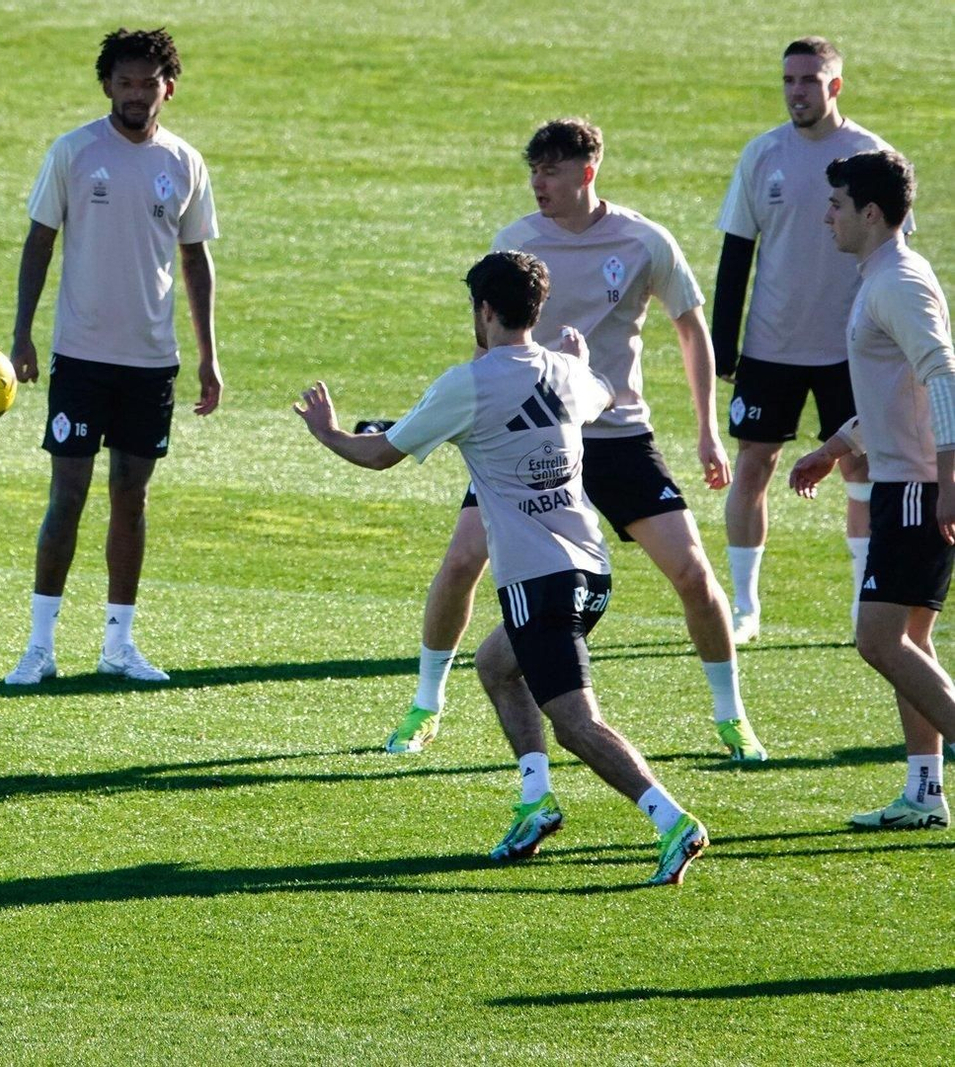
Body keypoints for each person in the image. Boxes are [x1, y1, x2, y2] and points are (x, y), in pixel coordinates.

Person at [297, 251, 708, 885]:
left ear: (485, 310)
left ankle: (671, 820)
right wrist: (578, 357)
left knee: (576, 722)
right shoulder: (566, 373)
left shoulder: (469, 383)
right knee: (496, 665)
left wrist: (326, 432)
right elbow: (600, 396)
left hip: (537, 581)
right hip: (591, 572)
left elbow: (381, 453)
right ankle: (535, 802)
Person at [388, 119, 767, 763]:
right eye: (534, 170)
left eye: (552, 171)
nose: (538, 183)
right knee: (458, 564)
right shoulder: (514, 241)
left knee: (693, 572)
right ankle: (426, 705)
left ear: (587, 172)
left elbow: (689, 328)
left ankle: (732, 717)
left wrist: (706, 431)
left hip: (618, 435)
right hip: (531, 436)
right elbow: (485, 345)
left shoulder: (645, 240)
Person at [3, 26, 220, 686]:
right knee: (66, 496)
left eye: (147, 83)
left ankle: (119, 645)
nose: (135, 94)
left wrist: (209, 356)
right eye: (123, 82)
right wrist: (21, 336)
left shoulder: (184, 162)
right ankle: (39, 646)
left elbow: (195, 259)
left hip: (152, 362)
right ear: (106, 85)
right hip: (81, 356)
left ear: (168, 89)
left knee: (131, 497)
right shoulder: (74, 152)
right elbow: (39, 242)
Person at [715, 37, 908, 642]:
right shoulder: (763, 153)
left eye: (809, 80)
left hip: (850, 347)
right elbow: (737, 249)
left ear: (835, 85)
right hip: (771, 344)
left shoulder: (872, 157)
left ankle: (862, 600)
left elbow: (896, 257)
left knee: (862, 466)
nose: (797, 91)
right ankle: (745, 608)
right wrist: (725, 343)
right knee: (753, 465)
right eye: (789, 80)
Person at [790, 150, 955, 830]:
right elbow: (899, 393)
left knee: (880, 641)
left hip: (916, 489)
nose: (827, 215)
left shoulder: (898, 281)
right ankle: (924, 790)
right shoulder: (882, 277)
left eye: (836, 204)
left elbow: (942, 374)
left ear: (871, 213)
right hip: (903, 481)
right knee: (911, 640)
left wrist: (948, 480)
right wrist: (836, 447)